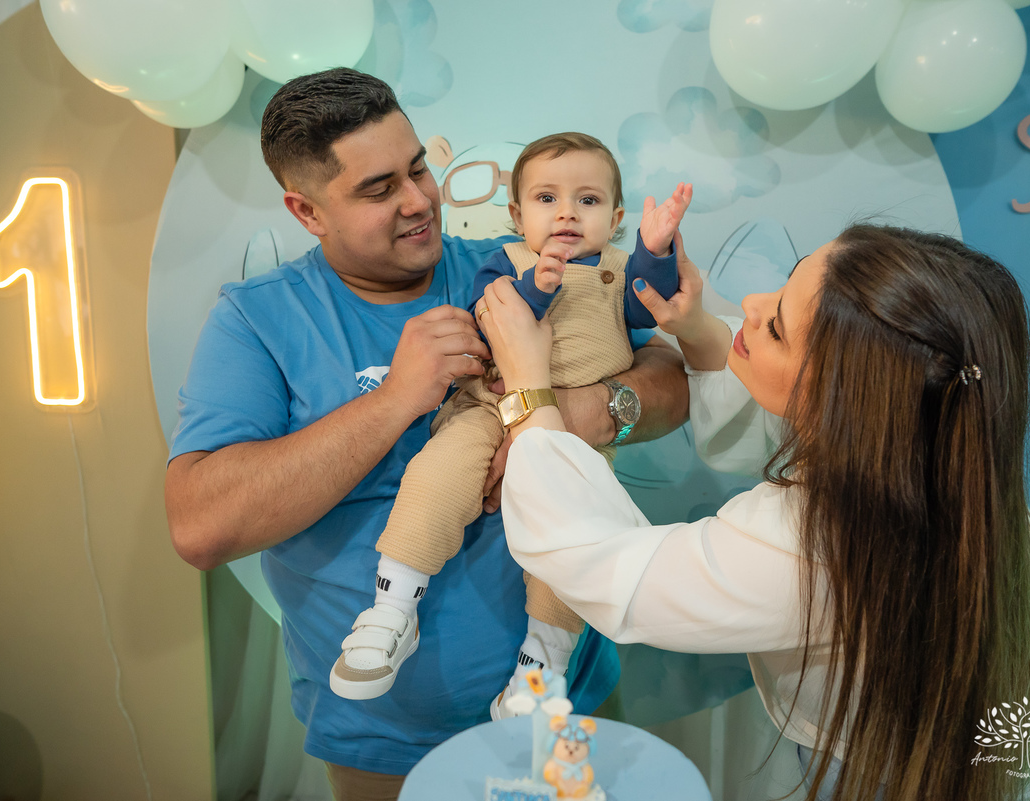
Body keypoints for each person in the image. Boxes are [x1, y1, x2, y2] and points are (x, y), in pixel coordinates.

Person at [163, 68, 690, 798]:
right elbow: (200, 523)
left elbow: (667, 380)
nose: (418, 201)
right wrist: (395, 399)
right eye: (379, 189)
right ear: (306, 210)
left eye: (418, 168)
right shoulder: (258, 321)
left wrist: (580, 410)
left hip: (569, 702)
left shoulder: (505, 263)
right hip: (383, 739)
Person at [479, 224, 1030, 801]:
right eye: (786, 283)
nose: (749, 302)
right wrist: (694, 326)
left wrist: (528, 386)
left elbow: (607, 569)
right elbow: (777, 407)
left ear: (837, 404)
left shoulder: (815, 544)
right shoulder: (945, 453)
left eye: (776, 328)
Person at [330, 131, 693, 715]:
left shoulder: (621, 272)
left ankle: (542, 663)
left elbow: (658, 302)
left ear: (617, 216)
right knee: (436, 476)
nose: (568, 213)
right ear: (516, 214)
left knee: (576, 539)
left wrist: (657, 248)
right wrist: (537, 289)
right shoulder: (506, 261)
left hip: (574, 435)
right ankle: (392, 608)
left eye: (590, 201)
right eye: (547, 199)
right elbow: (491, 312)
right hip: (489, 412)